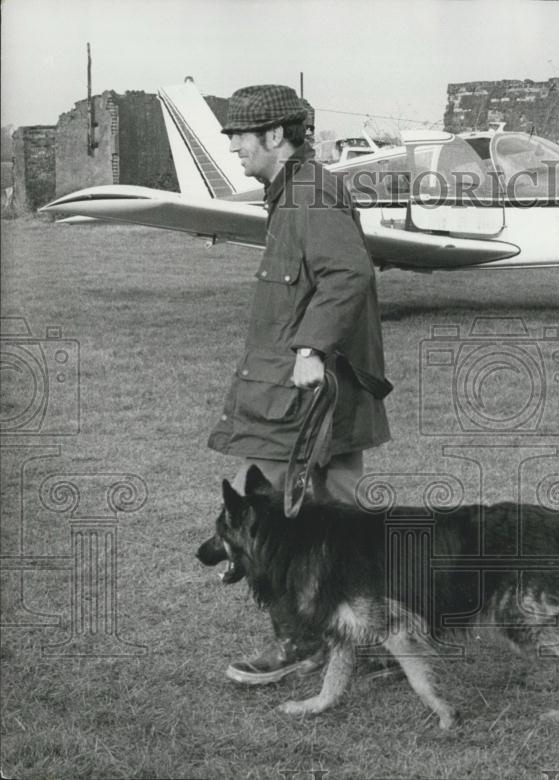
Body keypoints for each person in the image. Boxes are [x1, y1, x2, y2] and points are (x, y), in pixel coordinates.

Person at [209, 84, 392, 681]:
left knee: (263, 519)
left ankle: (299, 644)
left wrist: (311, 347)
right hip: (318, 400)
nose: (233, 145)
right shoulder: (294, 191)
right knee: (345, 527)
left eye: (241, 134)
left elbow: (349, 272)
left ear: (276, 136)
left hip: (304, 399)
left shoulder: (308, 193)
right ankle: (376, 639)